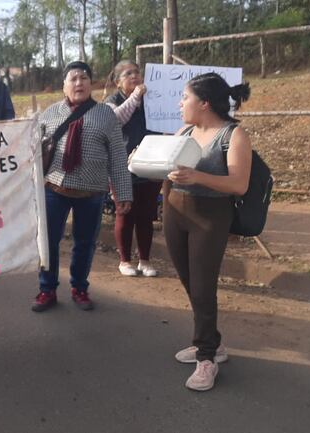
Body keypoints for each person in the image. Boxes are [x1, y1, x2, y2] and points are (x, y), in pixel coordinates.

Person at [165, 72, 251, 391]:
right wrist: (141, 162)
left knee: (203, 288)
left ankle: (206, 358)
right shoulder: (185, 130)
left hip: (210, 216)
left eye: (185, 97)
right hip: (176, 210)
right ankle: (213, 343)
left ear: (203, 103)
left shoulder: (233, 135)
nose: (180, 103)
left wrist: (198, 177)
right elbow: (167, 167)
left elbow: (238, 184)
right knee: (189, 281)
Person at [32, 61, 133, 313]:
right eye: (73, 79)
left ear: (91, 84)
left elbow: (118, 156)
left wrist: (123, 192)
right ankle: (47, 290)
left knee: (85, 243)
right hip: (54, 189)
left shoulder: (106, 114)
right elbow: (32, 151)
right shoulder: (49, 114)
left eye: (84, 78)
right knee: (48, 241)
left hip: (92, 192)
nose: (79, 83)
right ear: (64, 86)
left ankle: (79, 287)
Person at [104, 60, 162, 278]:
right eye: (128, 74)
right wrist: (135, 97)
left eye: (137, 72)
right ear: (118, 82)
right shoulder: (112, 101)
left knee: (147, 215)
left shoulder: (153, 100)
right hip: (123, 167)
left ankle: (145, 261)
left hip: (152, 163)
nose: (135, 76)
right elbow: (117, 119)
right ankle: (125, 260)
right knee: (125, 213)